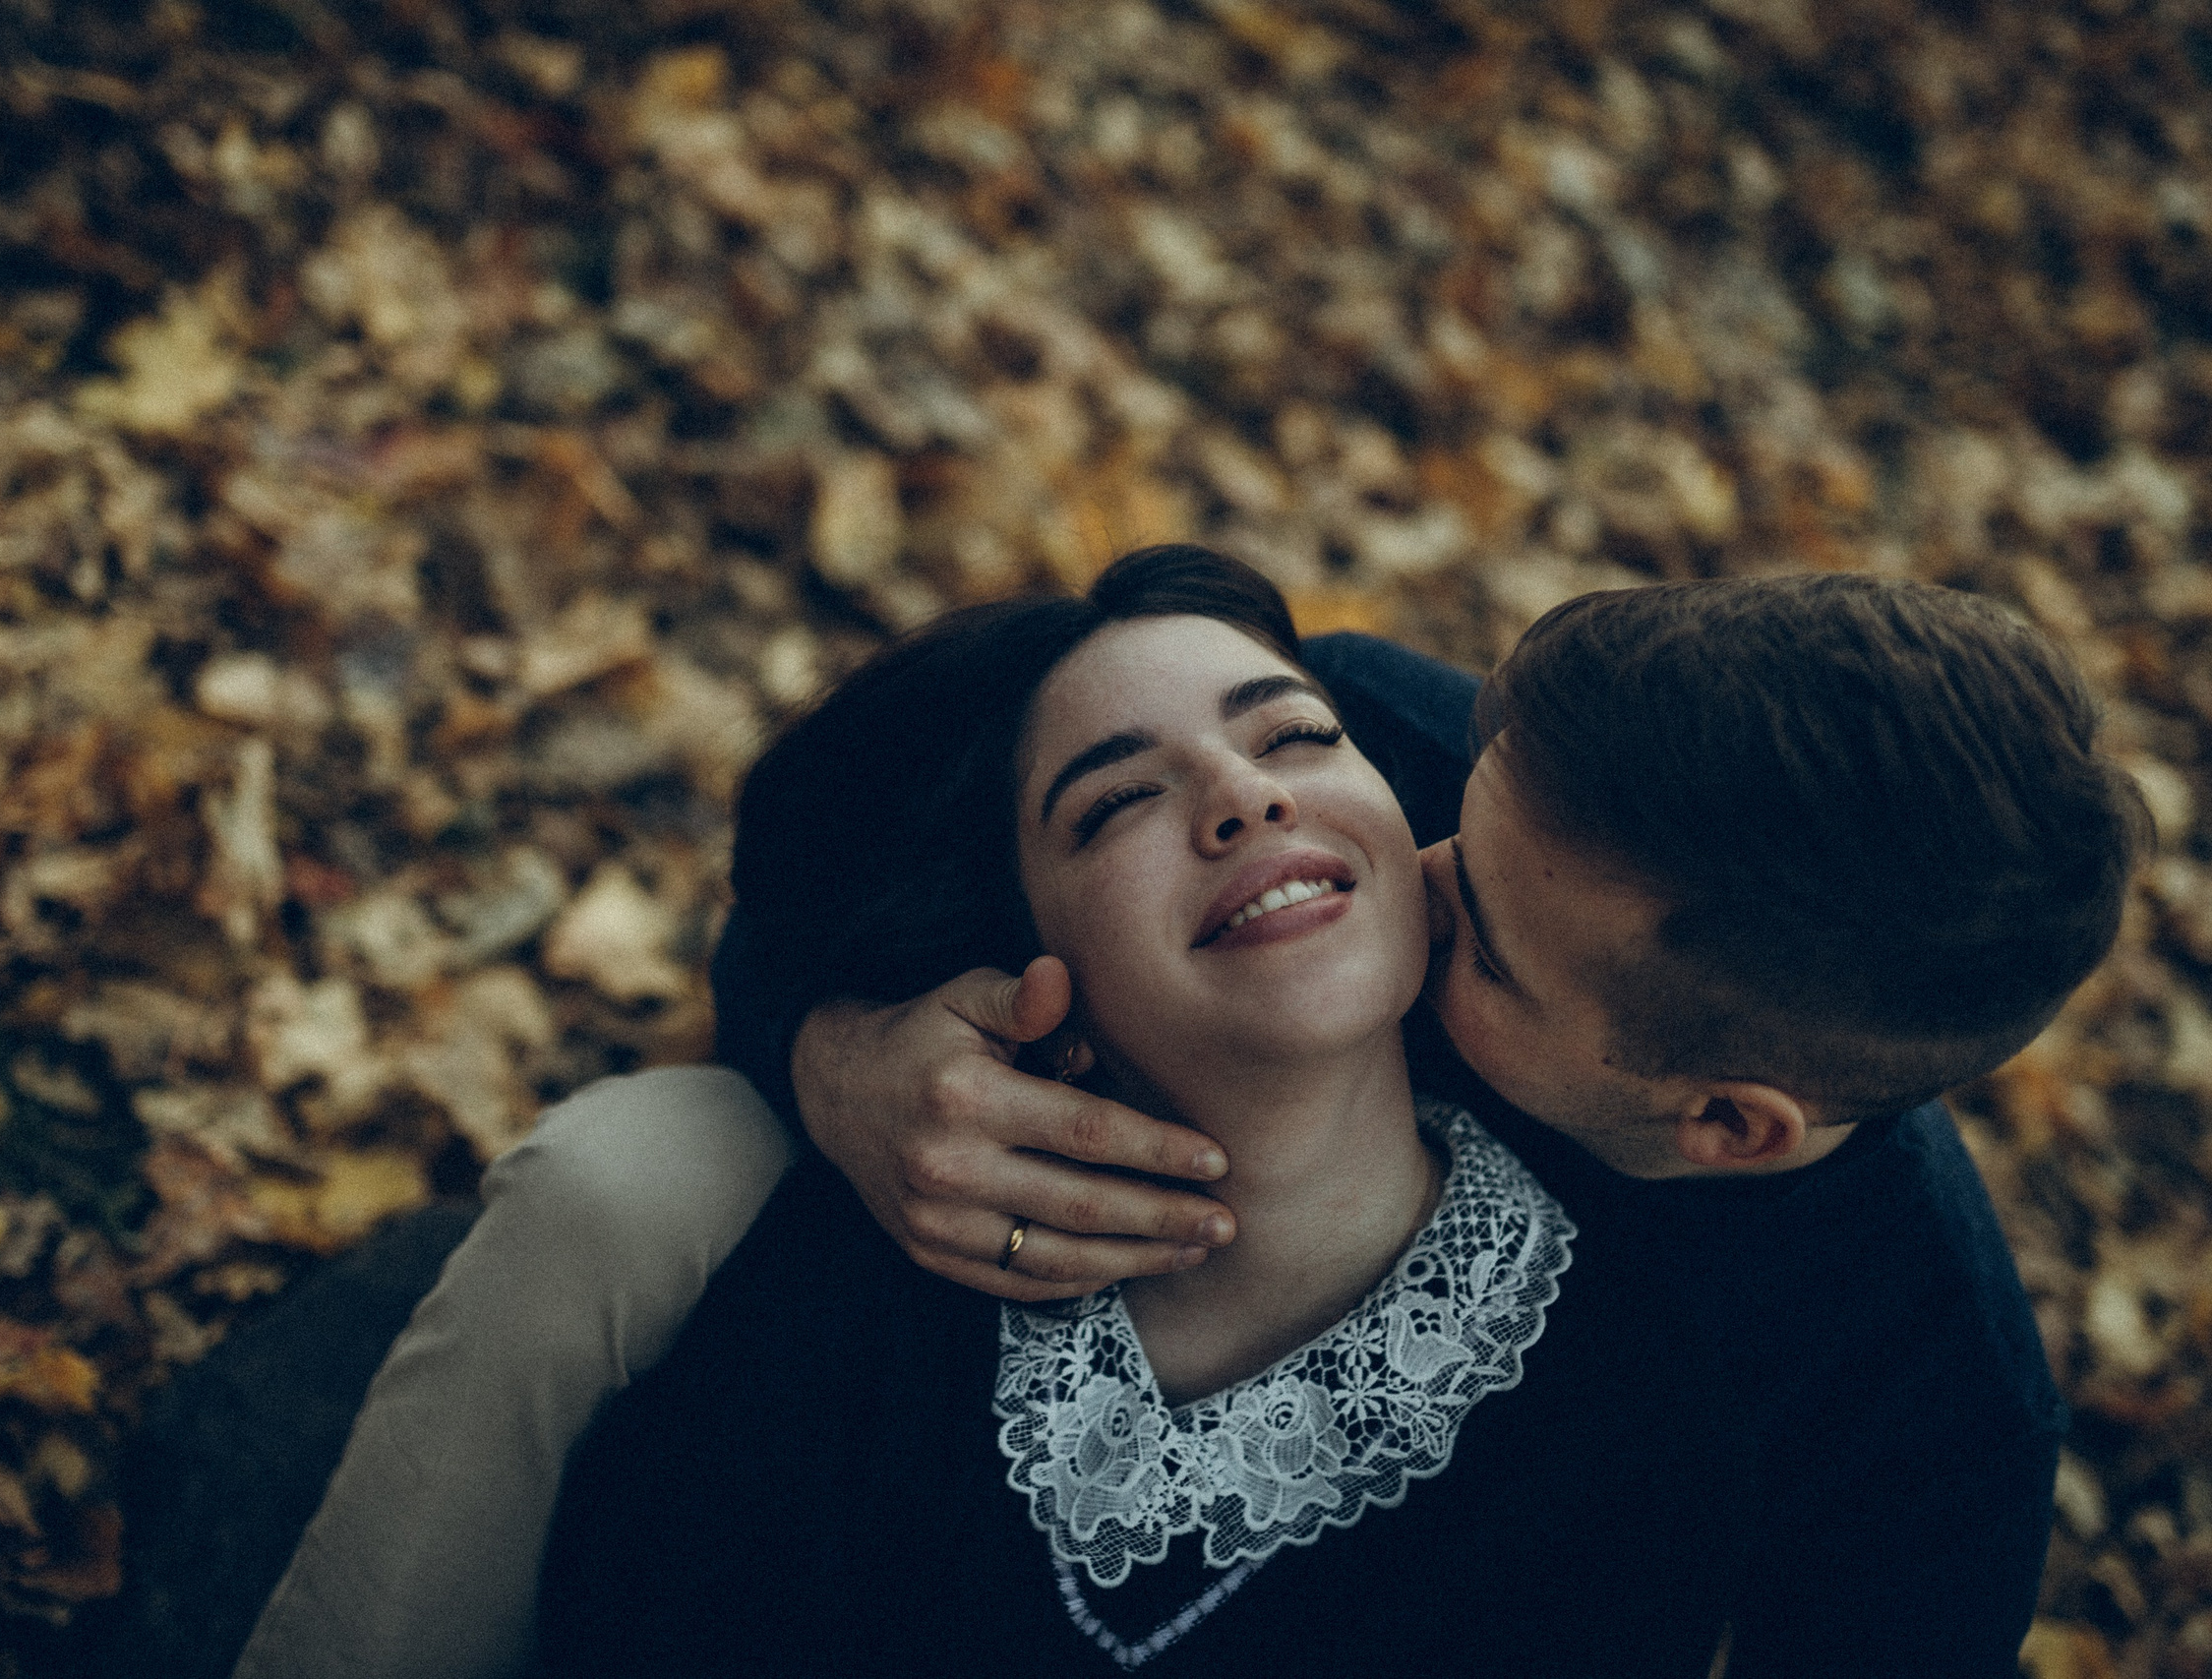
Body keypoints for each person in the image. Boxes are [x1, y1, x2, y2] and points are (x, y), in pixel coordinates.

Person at [233, 555, 2146, 1678]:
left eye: (1464, 919)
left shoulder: (1910, 1418)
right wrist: (832, 1044)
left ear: (1728, 1125)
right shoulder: (1391, 765)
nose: (1386, 858)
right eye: (1445, 804)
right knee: (636, 1167)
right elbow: (905, 810)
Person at [539, 548, 1624, 1671]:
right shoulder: (850, 1290)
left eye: (1296, 736)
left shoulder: (1628, 1416)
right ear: (1024, 961)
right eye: (1116, 801)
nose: (1248, 794)